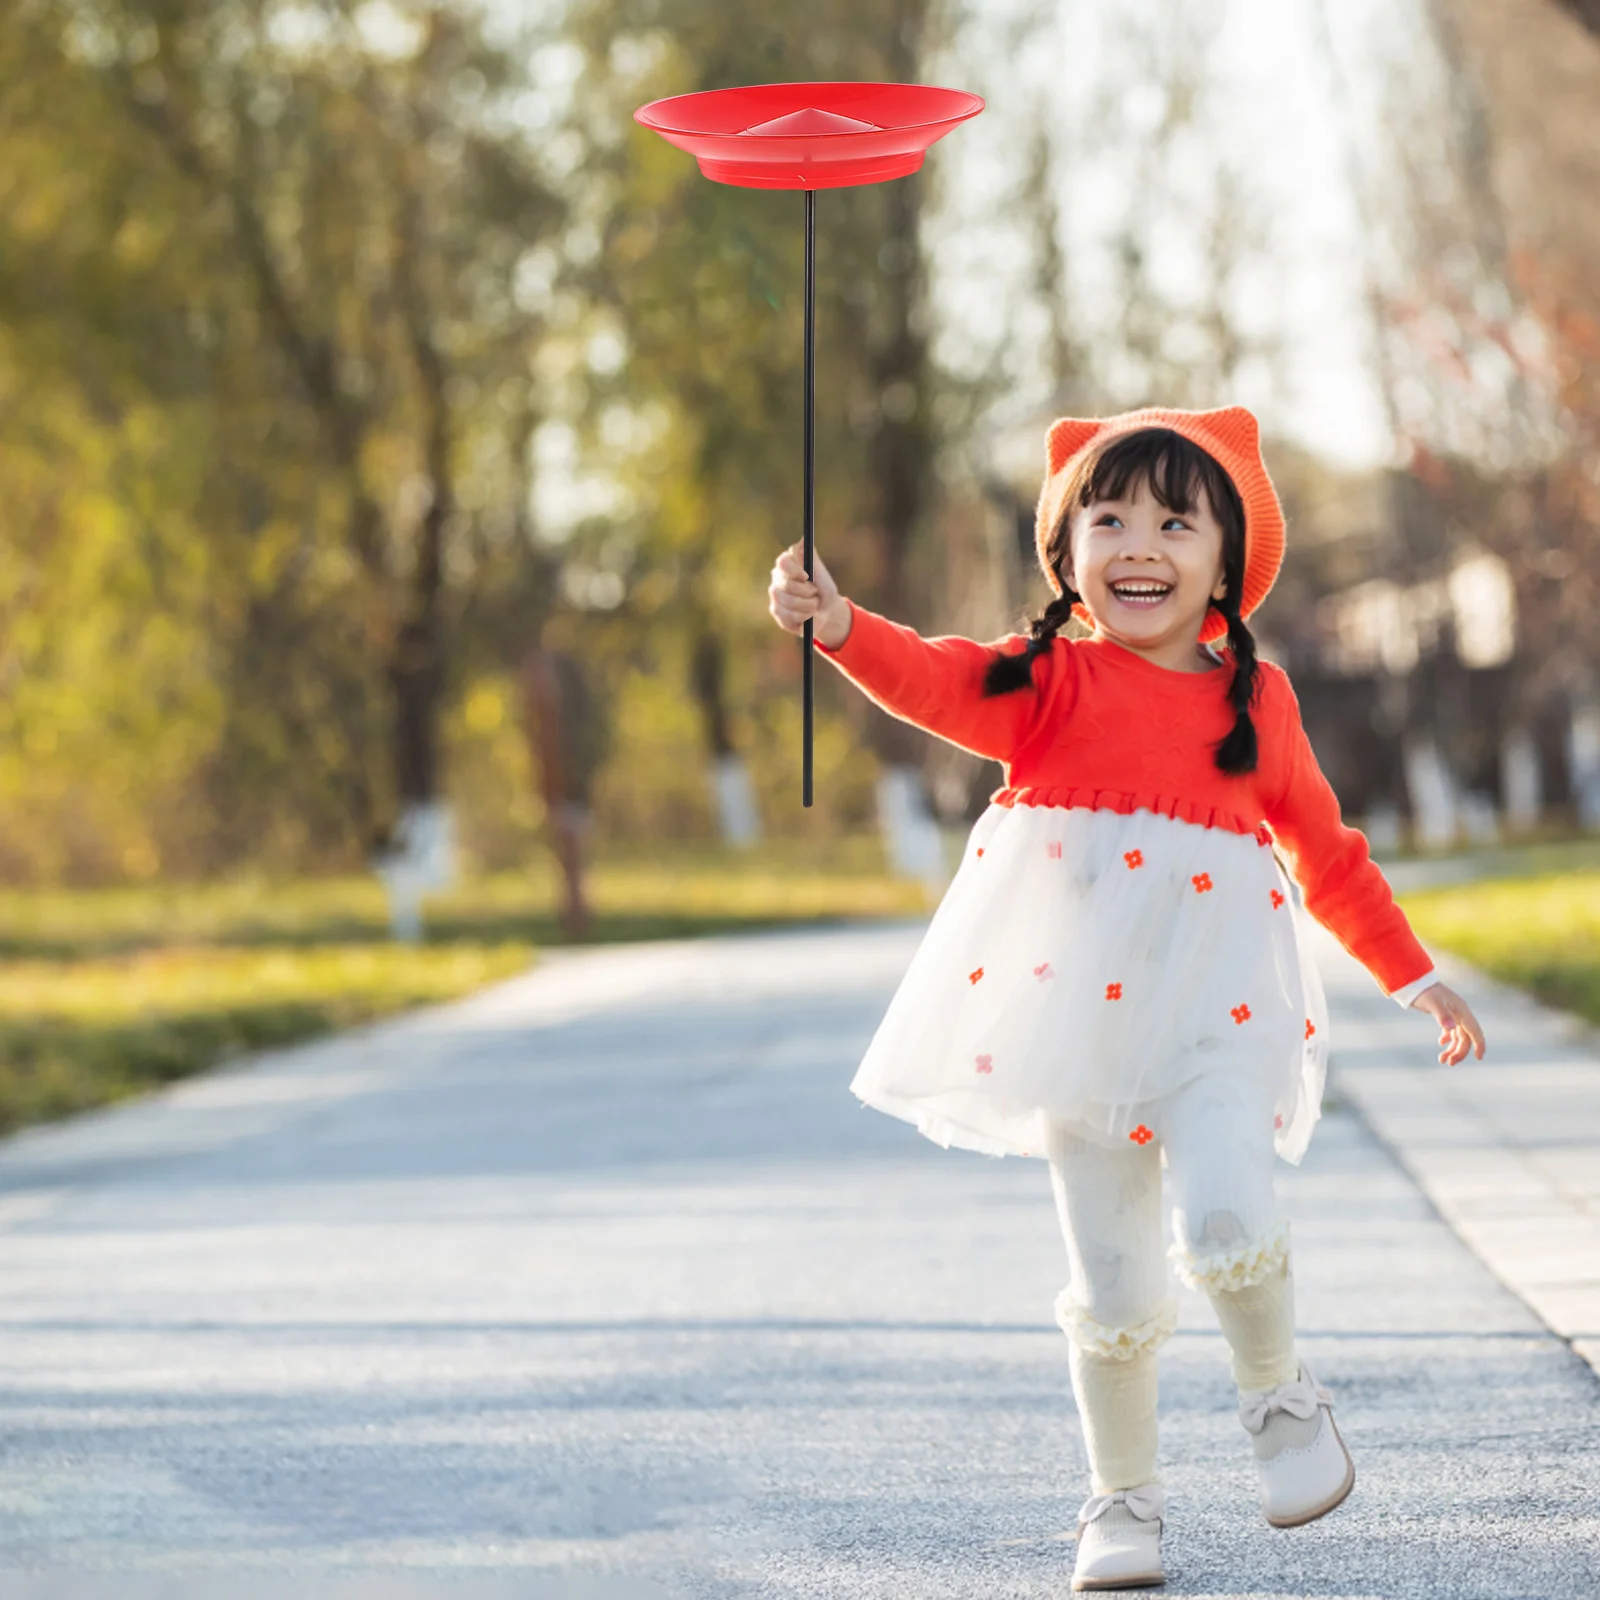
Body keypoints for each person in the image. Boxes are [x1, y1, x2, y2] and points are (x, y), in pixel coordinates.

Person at [767, 406, 1487, 1592]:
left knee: (1220, 1209)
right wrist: (840, 625)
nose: (1137, 543)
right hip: (1074, 1027)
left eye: (1172, 520)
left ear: (1224, 560)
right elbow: (935, 679)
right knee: (1110, 1281)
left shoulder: (1254, 700)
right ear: (1066, 555)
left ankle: (1280, 1404)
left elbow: (1325, 848)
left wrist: (1408, 970)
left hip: (1218, 1016)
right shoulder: (1045, 679)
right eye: (1107, 519)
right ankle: (1124, 1499)